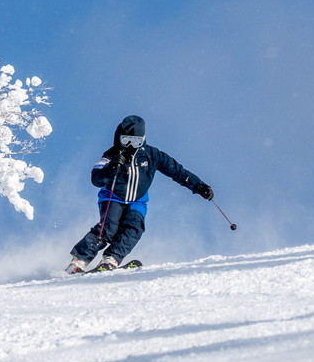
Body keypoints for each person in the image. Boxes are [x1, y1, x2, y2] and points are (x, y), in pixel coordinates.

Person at [67, 114, 213, 273]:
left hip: (138, 200)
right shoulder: (111, 154)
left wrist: (200, 186)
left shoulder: (152, 155)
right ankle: (79, 260)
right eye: (126, 141)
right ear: (119, 137)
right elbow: (96, 179)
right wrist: (112, 167)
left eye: (135, 141)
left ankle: (112, 258)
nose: (130, 145)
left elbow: (178, 171)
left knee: (134, 228)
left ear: (143, 139)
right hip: (113, 197)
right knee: (109, 228)